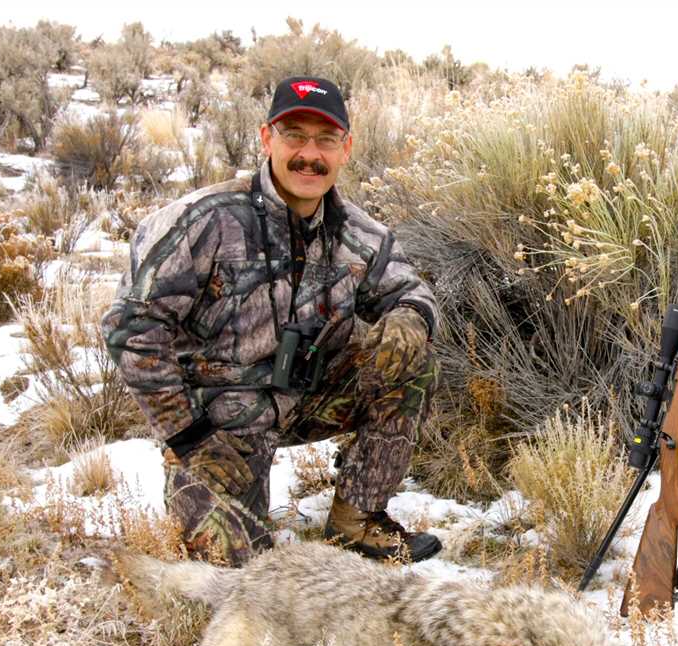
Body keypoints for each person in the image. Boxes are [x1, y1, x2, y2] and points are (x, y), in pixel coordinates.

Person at [102, 75, 441, 566]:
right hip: (218, 425)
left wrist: (410, 316)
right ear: (267, 139)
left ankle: (357, 521)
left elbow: (411, 288)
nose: (310, 153)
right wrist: (189, 438)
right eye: (295, 136)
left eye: (325, 139)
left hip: (307, 396)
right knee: (237, 580)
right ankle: (214, 494)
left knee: (416, 359)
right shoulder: (202, 219)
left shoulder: (360, 232)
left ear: (345, 148)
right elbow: (130, 328)